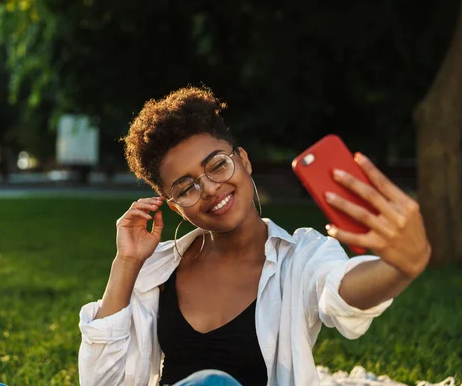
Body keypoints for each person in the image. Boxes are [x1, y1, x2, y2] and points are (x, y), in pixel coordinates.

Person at [77, 86, 431, 386]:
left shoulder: (301, 256)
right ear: (175, 207)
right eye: (186, 188)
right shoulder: (159, 271)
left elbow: (338, 290)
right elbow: (103, 381)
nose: (211, 189)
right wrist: (126, 263)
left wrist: (400, 267)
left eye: (217, 165)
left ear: (243, 161)